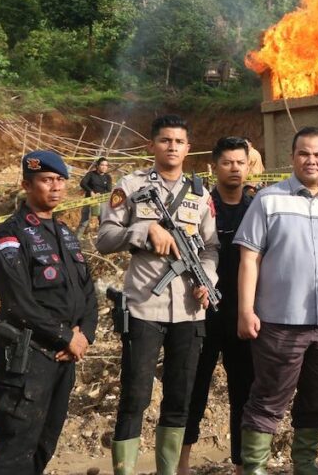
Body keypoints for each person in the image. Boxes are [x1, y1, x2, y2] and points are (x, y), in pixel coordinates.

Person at [97, 115, 218, 475]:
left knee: (179, 398)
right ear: (152, 146)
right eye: (165, 141)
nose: (172, 147)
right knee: (135, 397)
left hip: (189, 310)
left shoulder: (200, 193)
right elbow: (104, 238)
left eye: (179, 142)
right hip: (143, 308)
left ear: (188, 148)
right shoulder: (130, 185)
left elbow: (211, 246)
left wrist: (207, 278)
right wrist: (145, 230)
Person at [235, 126, 318, 475]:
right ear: (292, 158)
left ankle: (305, 463)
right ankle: (254, 467)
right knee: (269, 396)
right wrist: (245, 310)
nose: (311, 160)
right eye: (304, 153)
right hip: (279, 322)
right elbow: (249, 259)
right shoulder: (268, 199)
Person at [0, 151, 97, 474]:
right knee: (14, 447)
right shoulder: (11, 236)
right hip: (29, 358)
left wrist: (84, 335)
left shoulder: (66, 235)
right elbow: (18, 302)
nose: (56, 187)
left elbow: (88, 293)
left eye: (60, 180)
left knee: (44, 444)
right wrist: (64, 336)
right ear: (26, 185)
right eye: (47, 180)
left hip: (65, 358)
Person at [178, 138, 255, 475]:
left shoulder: (257, 207)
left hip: (243, 313)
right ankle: (181, 463)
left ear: (249, 166)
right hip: (202, 311)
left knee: (244, 391)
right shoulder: (198, 205)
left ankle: (241, 464)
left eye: (241, 162)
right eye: (227, 162)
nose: (235, 168)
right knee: (194, 388)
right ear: (214, 166)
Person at [77, 157, 112, 233]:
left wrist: (101, 194)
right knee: (84, 222)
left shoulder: (108, 177)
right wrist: (91, 191)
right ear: (97, 166)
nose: (104, 167)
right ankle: (76, 241)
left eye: (106, 165)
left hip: (102, 201)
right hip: (89, 200)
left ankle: (102, 239)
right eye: (102, 165)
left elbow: (109, 190)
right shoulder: (91, 174)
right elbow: (83, 183)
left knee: (103, 221)